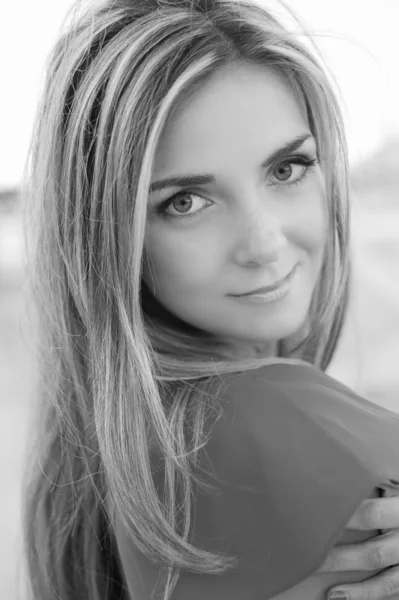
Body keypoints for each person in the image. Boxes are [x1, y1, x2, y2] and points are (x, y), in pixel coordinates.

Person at [20, 0, 399, 599]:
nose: (264, 244)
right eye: (185, 202)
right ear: (108, 240)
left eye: (287, 169)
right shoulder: (267, 413)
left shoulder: (132, 451)